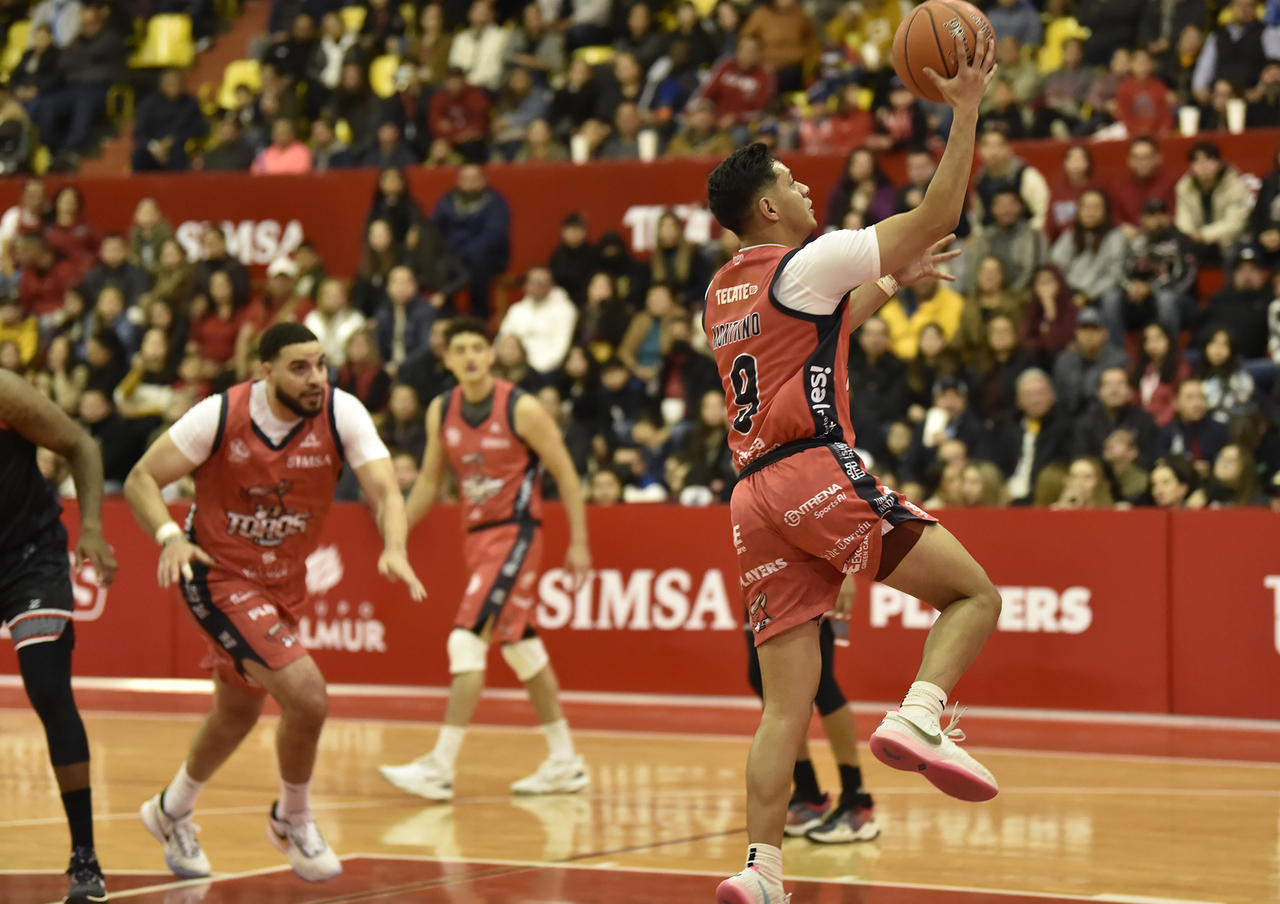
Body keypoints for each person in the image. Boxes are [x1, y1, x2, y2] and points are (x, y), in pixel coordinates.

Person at [702, 32, 1000, 904]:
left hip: (751, 496)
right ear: (767, 210)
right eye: (791, 184)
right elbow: (938, 215)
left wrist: (897, 283)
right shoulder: (811, 255)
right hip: (812, 470)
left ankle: (762, 874)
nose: (805, 189)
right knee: (973, 594)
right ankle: (918, 716)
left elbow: (818, 328)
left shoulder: (725, 289)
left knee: (781, 706)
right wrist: (966, 108)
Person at [122, 322, 424, 883]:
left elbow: (385, 489)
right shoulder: (219, 414)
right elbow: (142, 478)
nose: (316, 378)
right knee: (307, 696)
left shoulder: (342, 412)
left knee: (236, 712)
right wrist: (170, 536)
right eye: (299, 367)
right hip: (215, 575)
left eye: (321, 364)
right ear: (265, 371)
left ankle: (171, 811)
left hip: (281, 581)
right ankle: (294, 817)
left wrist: (396, 545)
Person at [380, 317, 593, 800]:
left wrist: (579, 543)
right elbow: (432, 483)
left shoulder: (521, 407)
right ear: (448, 358)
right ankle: (565, 762)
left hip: (516, 535)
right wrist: (396, 537)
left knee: (465, 641)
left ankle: (440, 766)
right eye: (461, 349)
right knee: (521, 647)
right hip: (475, 538)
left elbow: (565, 471)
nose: (471, 356)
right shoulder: (442, 409)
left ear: (491, 355)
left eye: (479, 346)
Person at [0, 370, 117, 904]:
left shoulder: (4, 391)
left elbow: (79, 445)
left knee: (48, 690)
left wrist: (91, 525)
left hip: (30, 556)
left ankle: (85, 858)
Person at [742, 574, 877, 843]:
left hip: (809, 575)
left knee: (821, 683)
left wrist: (846, 574)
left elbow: (842, 529)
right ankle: (808, 793)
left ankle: (856, 798)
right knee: (765, 680)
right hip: (763, 576)